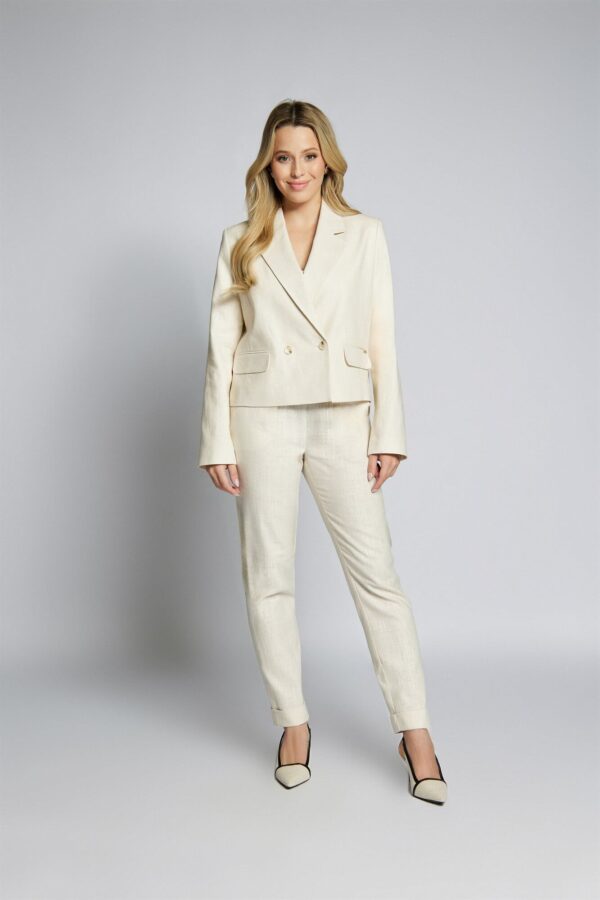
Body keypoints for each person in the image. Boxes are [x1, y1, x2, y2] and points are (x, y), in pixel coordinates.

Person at [198, 99, 447, 804]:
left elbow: (382, 334)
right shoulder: (241, 239)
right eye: (283, 157)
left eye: (309, 156)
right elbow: (220, 345)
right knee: (268, 577)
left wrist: (388, 433)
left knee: (378, 579)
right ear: (267, 164)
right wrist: (216, 438)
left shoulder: (363, 234)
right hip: (262, 415)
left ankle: (415, 731)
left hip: (342, 415)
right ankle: (293, 723)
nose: (297, 170)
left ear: (328, 160)